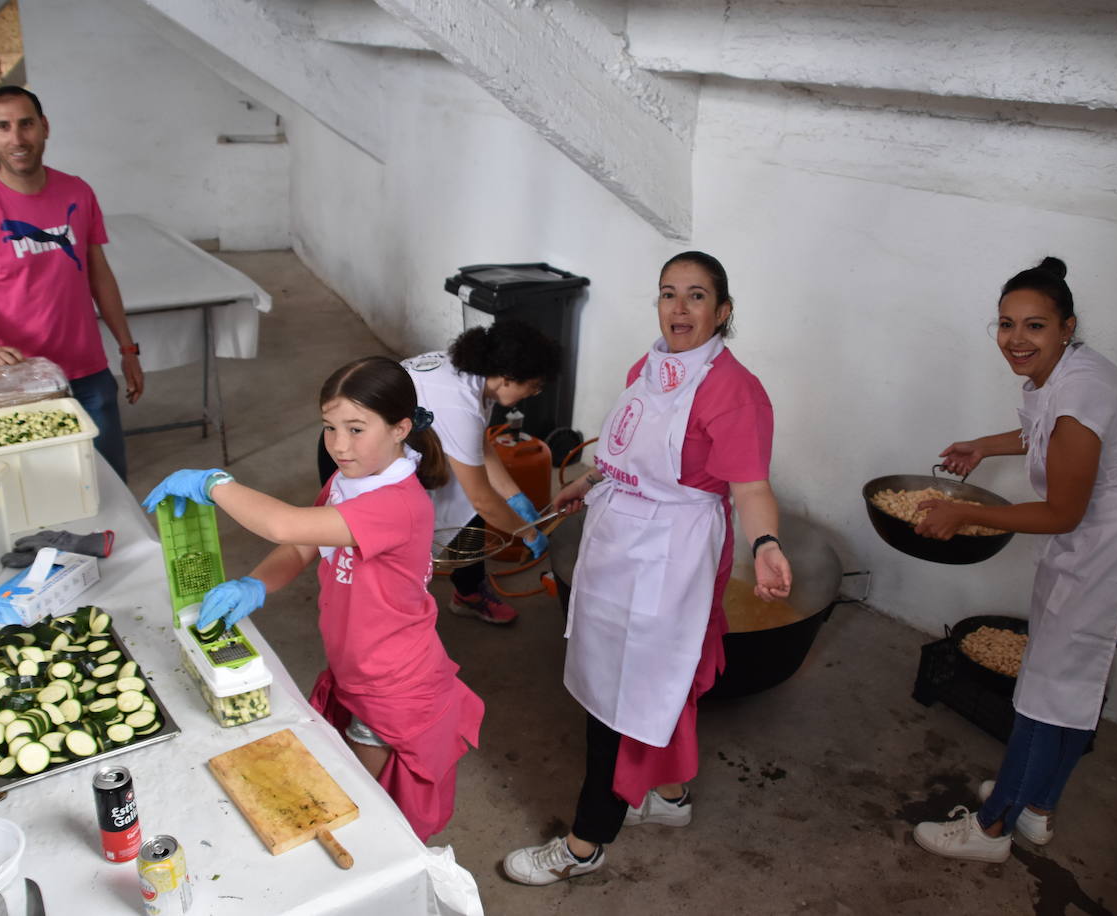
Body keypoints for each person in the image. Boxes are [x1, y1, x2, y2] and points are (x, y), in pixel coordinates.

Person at [503, 251, 792, 885]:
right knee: (636, 675)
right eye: (668, 293)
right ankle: (669, 796)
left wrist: (766, 542)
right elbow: (625, 444)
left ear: (723, 311)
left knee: (630, 687)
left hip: (672, 548)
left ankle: (584, 844)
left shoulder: (734, 391)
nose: (679, 308)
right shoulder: (650, 365)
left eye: (696, 296)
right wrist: (587, 477)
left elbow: (749, 487)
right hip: (618, 537)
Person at [911, 257, 1117, 863]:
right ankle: (1035, 809)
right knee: (1071, 684)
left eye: (1034, 326)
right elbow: (1045, 433)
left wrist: (966, 514)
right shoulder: (1065, 373)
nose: (1016, 340)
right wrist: (985, 445)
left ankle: (990, 828)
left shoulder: (1082, 392)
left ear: (1068, 326)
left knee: (1046, 694)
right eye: (1006, 324)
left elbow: (1061, 511)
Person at [142, 356, 484, 840]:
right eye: (329, 428)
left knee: (365, 807)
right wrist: (256, 583)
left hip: (390, 683)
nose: (339, 445)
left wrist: (215, 484)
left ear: (399, 428)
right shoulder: (351, 480)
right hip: (356, 665)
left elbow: (283, 523)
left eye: (356, 428)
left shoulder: (397, 503)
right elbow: (304, 541)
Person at [0, 85, 143, 481]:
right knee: (45, 489)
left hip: (89, 372)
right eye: (4, 127)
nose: (17, 139)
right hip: (23, 380)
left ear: (44, 127)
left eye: (26, 124)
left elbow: (99, 275)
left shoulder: (77, 191)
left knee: (111, 482)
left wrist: (127, 347)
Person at [403, 322, 562, 624]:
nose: (535, 393)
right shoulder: (459, 402)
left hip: (407, 444)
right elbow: (483, 500)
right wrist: (526, 532)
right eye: (535, 385)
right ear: (508, 378)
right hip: (358, 456)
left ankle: (468, 593)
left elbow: (479, 443)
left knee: (469, 502)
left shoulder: (474, 376)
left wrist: (514, 496)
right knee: (401, 540)